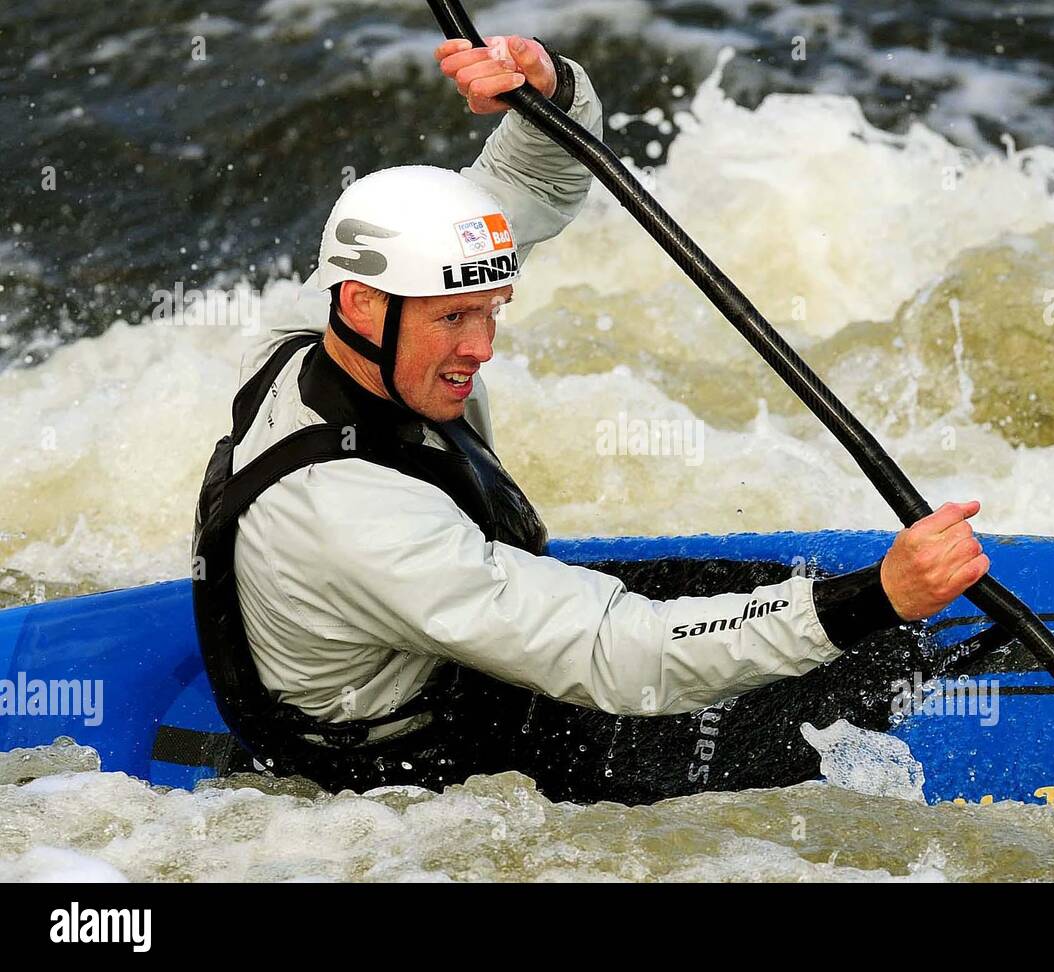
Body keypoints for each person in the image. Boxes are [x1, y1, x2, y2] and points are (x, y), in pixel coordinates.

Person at [192, 34, 991, 805]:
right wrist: (878, 598)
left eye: (492, 310)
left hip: (446, 649)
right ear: (363, 304)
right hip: (422, 761)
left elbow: (528, 191)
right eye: (454, 321)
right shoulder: (354, 518)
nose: (483, 347)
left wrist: (549, 95)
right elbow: (619, 654)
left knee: (778, 601)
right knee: (825, 651)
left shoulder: (321, 335)